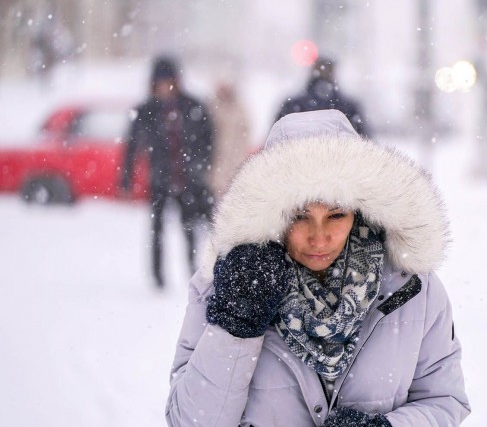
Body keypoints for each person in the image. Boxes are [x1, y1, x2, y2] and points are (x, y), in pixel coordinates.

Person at [165, 109, 470, 426]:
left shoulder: (411, 288)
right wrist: (236, 326)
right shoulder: (226, 286)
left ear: (359, 210)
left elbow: (444, 400)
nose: (319, 236)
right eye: (300, 216)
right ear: (272, 213)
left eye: (336, 215)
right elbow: (190, 421)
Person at [120, 55, 214, 289]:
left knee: (189, 228)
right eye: (160, 82)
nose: (165, 87)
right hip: (160, 179)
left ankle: (192, 270)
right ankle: (158, 277)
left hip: (188, 179)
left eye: (169, 82)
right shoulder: (145, 110)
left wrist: (201, 166)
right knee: (157, 229)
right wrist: (126, 178)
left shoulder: (193, 106)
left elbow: (208, 139)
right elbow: (132, 146)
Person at [275, 56, 371, 137]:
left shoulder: (291, 105)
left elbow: (275, 141)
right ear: (333, 73)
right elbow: (365, 142)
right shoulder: (349, 107)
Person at [208, 80, 251, 200]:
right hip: (217, 159)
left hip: (235, 158)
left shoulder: (239, 107)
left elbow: (245, 132)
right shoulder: (211, 107)